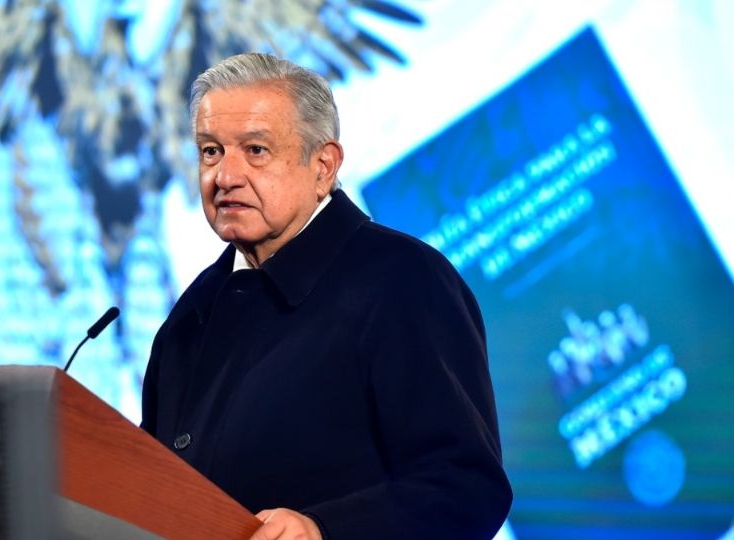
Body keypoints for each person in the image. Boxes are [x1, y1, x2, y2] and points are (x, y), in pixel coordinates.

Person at [141, 52, 512, 539]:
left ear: (323, 166)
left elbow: (467, 486)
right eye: (211, 151)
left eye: (255, 150)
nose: (224, 177)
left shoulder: (400, 279)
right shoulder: (189, 317)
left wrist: (323, 530)